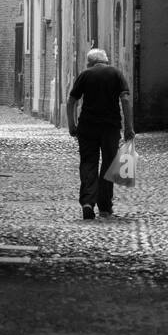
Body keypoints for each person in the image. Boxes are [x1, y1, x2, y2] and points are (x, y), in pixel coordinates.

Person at [66, 48, 134, 221]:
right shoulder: (116, 74)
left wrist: (72, 124)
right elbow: (125, 99)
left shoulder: (85, 75)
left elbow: (72, 100)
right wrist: (128, 127)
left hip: (87, 126)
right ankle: (104, 206)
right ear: (106, 60)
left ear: (90, 62)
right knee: (108, 165)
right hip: (110, 128)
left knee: (88, 162)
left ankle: (88, 202)